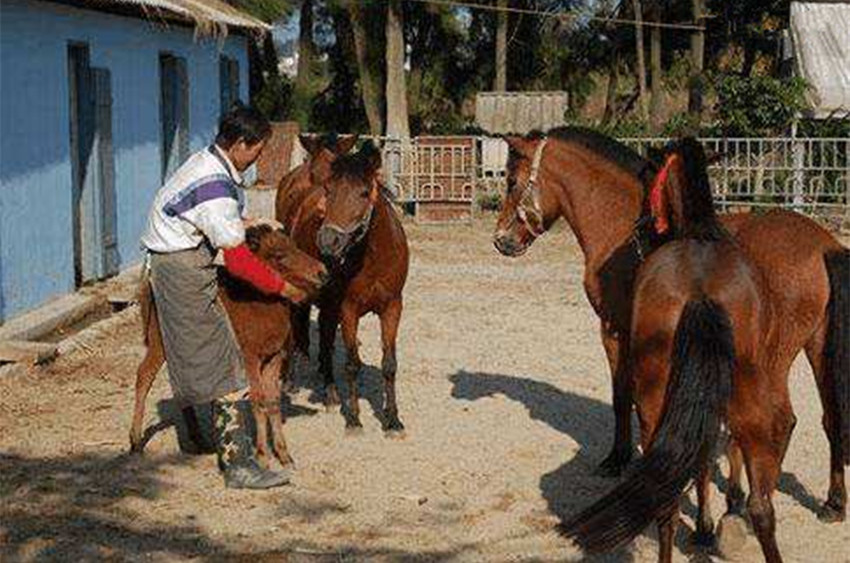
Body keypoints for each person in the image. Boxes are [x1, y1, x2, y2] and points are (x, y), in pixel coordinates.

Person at [141, 104, 304, 489]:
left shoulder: (208, 164)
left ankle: (204, 439)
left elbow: (216, 222)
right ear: (240, 144)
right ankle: (238, 466)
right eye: (258, 149)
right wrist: (283, 287)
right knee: (227, 362)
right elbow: (239, 261)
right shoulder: (215, 184)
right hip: (180, 267)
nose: (259, 157)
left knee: (211, 356)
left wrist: (252, 223)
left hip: (176, 257)